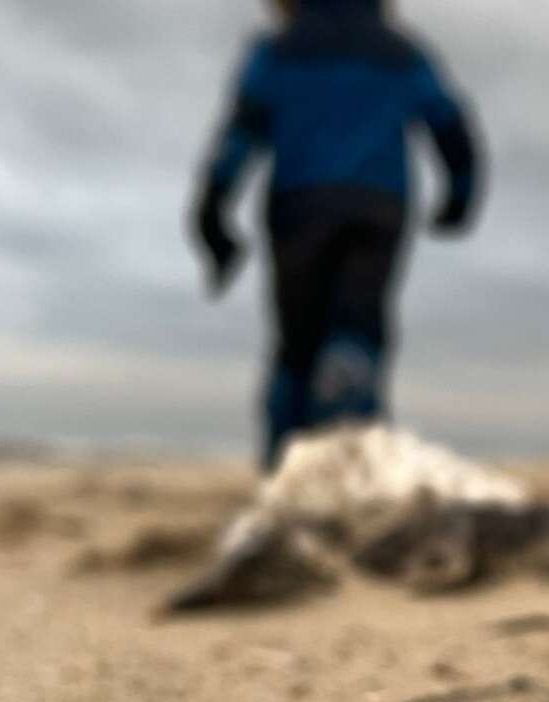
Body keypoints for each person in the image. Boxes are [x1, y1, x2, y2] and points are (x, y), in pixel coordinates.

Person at [191, 0, 485, 471]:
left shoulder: (278, 50)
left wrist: (212, 208)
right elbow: (450, 123)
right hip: (377, 206)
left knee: (297, 341)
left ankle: (285, 464)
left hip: (299, 205)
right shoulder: (401, 51)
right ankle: (352, 445)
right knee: (358, 324)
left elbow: (240, 134)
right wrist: (462, 192)